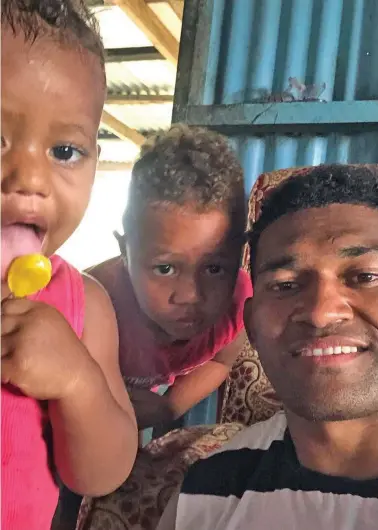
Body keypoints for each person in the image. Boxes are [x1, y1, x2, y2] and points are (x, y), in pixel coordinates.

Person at [157, 164, 378, 529]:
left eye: (366, 276)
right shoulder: (208, 492)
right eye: (286, 285)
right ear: (252, 328)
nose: (321, 313)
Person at [1, 2, 138, 530]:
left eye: (64, 149)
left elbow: (100, 474)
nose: (28, 177)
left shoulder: (85, 307)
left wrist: (77, 383)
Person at [88, 125, 252, 431]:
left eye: (215, 268)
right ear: (125, 252)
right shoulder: (93, 302)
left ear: (239, 256)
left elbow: (220, 361)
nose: (191, 295)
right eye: (165, 269)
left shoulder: (237, 304)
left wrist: (170, 406)